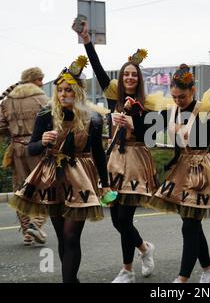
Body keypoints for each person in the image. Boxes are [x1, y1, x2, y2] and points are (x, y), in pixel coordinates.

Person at [9, 56, 109, 283]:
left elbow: (99, 155)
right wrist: (42, 141)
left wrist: (106, 183)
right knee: (63, 240)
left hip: (81, 178)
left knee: (71, 236)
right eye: (60, 90)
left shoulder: (93, 119)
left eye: (68, 90)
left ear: (78, 92)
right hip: (52, 178)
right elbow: (31, 150)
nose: (63, 94)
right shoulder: (46, 115)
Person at [73, 19, 156, 283]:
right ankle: (144, 248)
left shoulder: (149, 103)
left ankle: (127, 270)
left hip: (136, 159)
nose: (130, 78)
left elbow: (152, 137)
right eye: (126, 74)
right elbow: (97, 69)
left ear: (139, 78)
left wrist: (133, 122)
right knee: (116, 220)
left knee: (123, 216)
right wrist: (87, 40)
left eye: (134, 74)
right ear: (121, 78)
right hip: (115, 159)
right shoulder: (113, 98)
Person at [149, 64, 210, 283]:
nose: (177, 100)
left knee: (189, 224)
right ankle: (208, 270)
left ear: (192, 91)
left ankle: (182, 278)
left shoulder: (206, 110)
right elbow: (146, 130)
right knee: (192, 224)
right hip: (180, 171)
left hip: (203, 171)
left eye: (181, 96)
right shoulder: (170, 110)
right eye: (174, 96)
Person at [0, 67, 49, 246]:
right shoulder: (42, 98)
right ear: (32, 79)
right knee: (45, 187)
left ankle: (27, 233)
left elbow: (0, 127)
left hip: (16, 150)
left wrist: (15, 134)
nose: (42, 83)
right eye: (39, 79)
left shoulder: (7, 100)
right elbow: (54, 121)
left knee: (21, 190)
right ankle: (36, 225)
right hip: (38, 148)